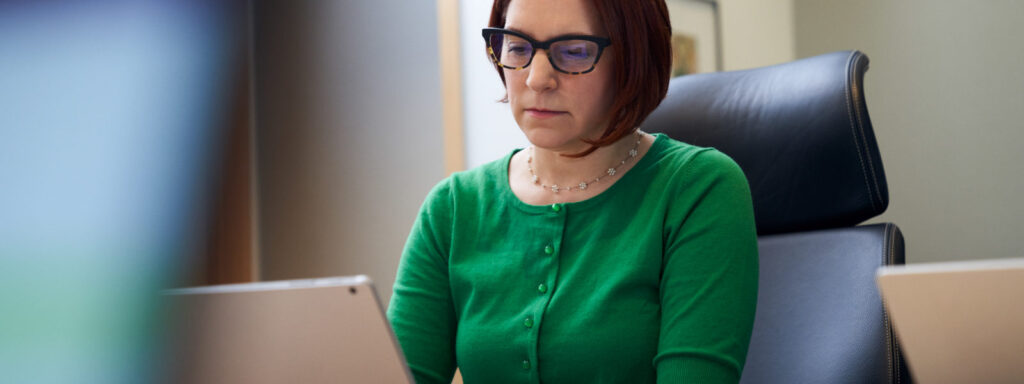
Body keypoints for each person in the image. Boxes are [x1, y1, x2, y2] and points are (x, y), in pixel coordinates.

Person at [387, 0, 758, 382]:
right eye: (517, 47)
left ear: (634, 58)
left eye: (574, 52)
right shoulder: (452, 208)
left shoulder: (697, 188)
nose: (536, 78)